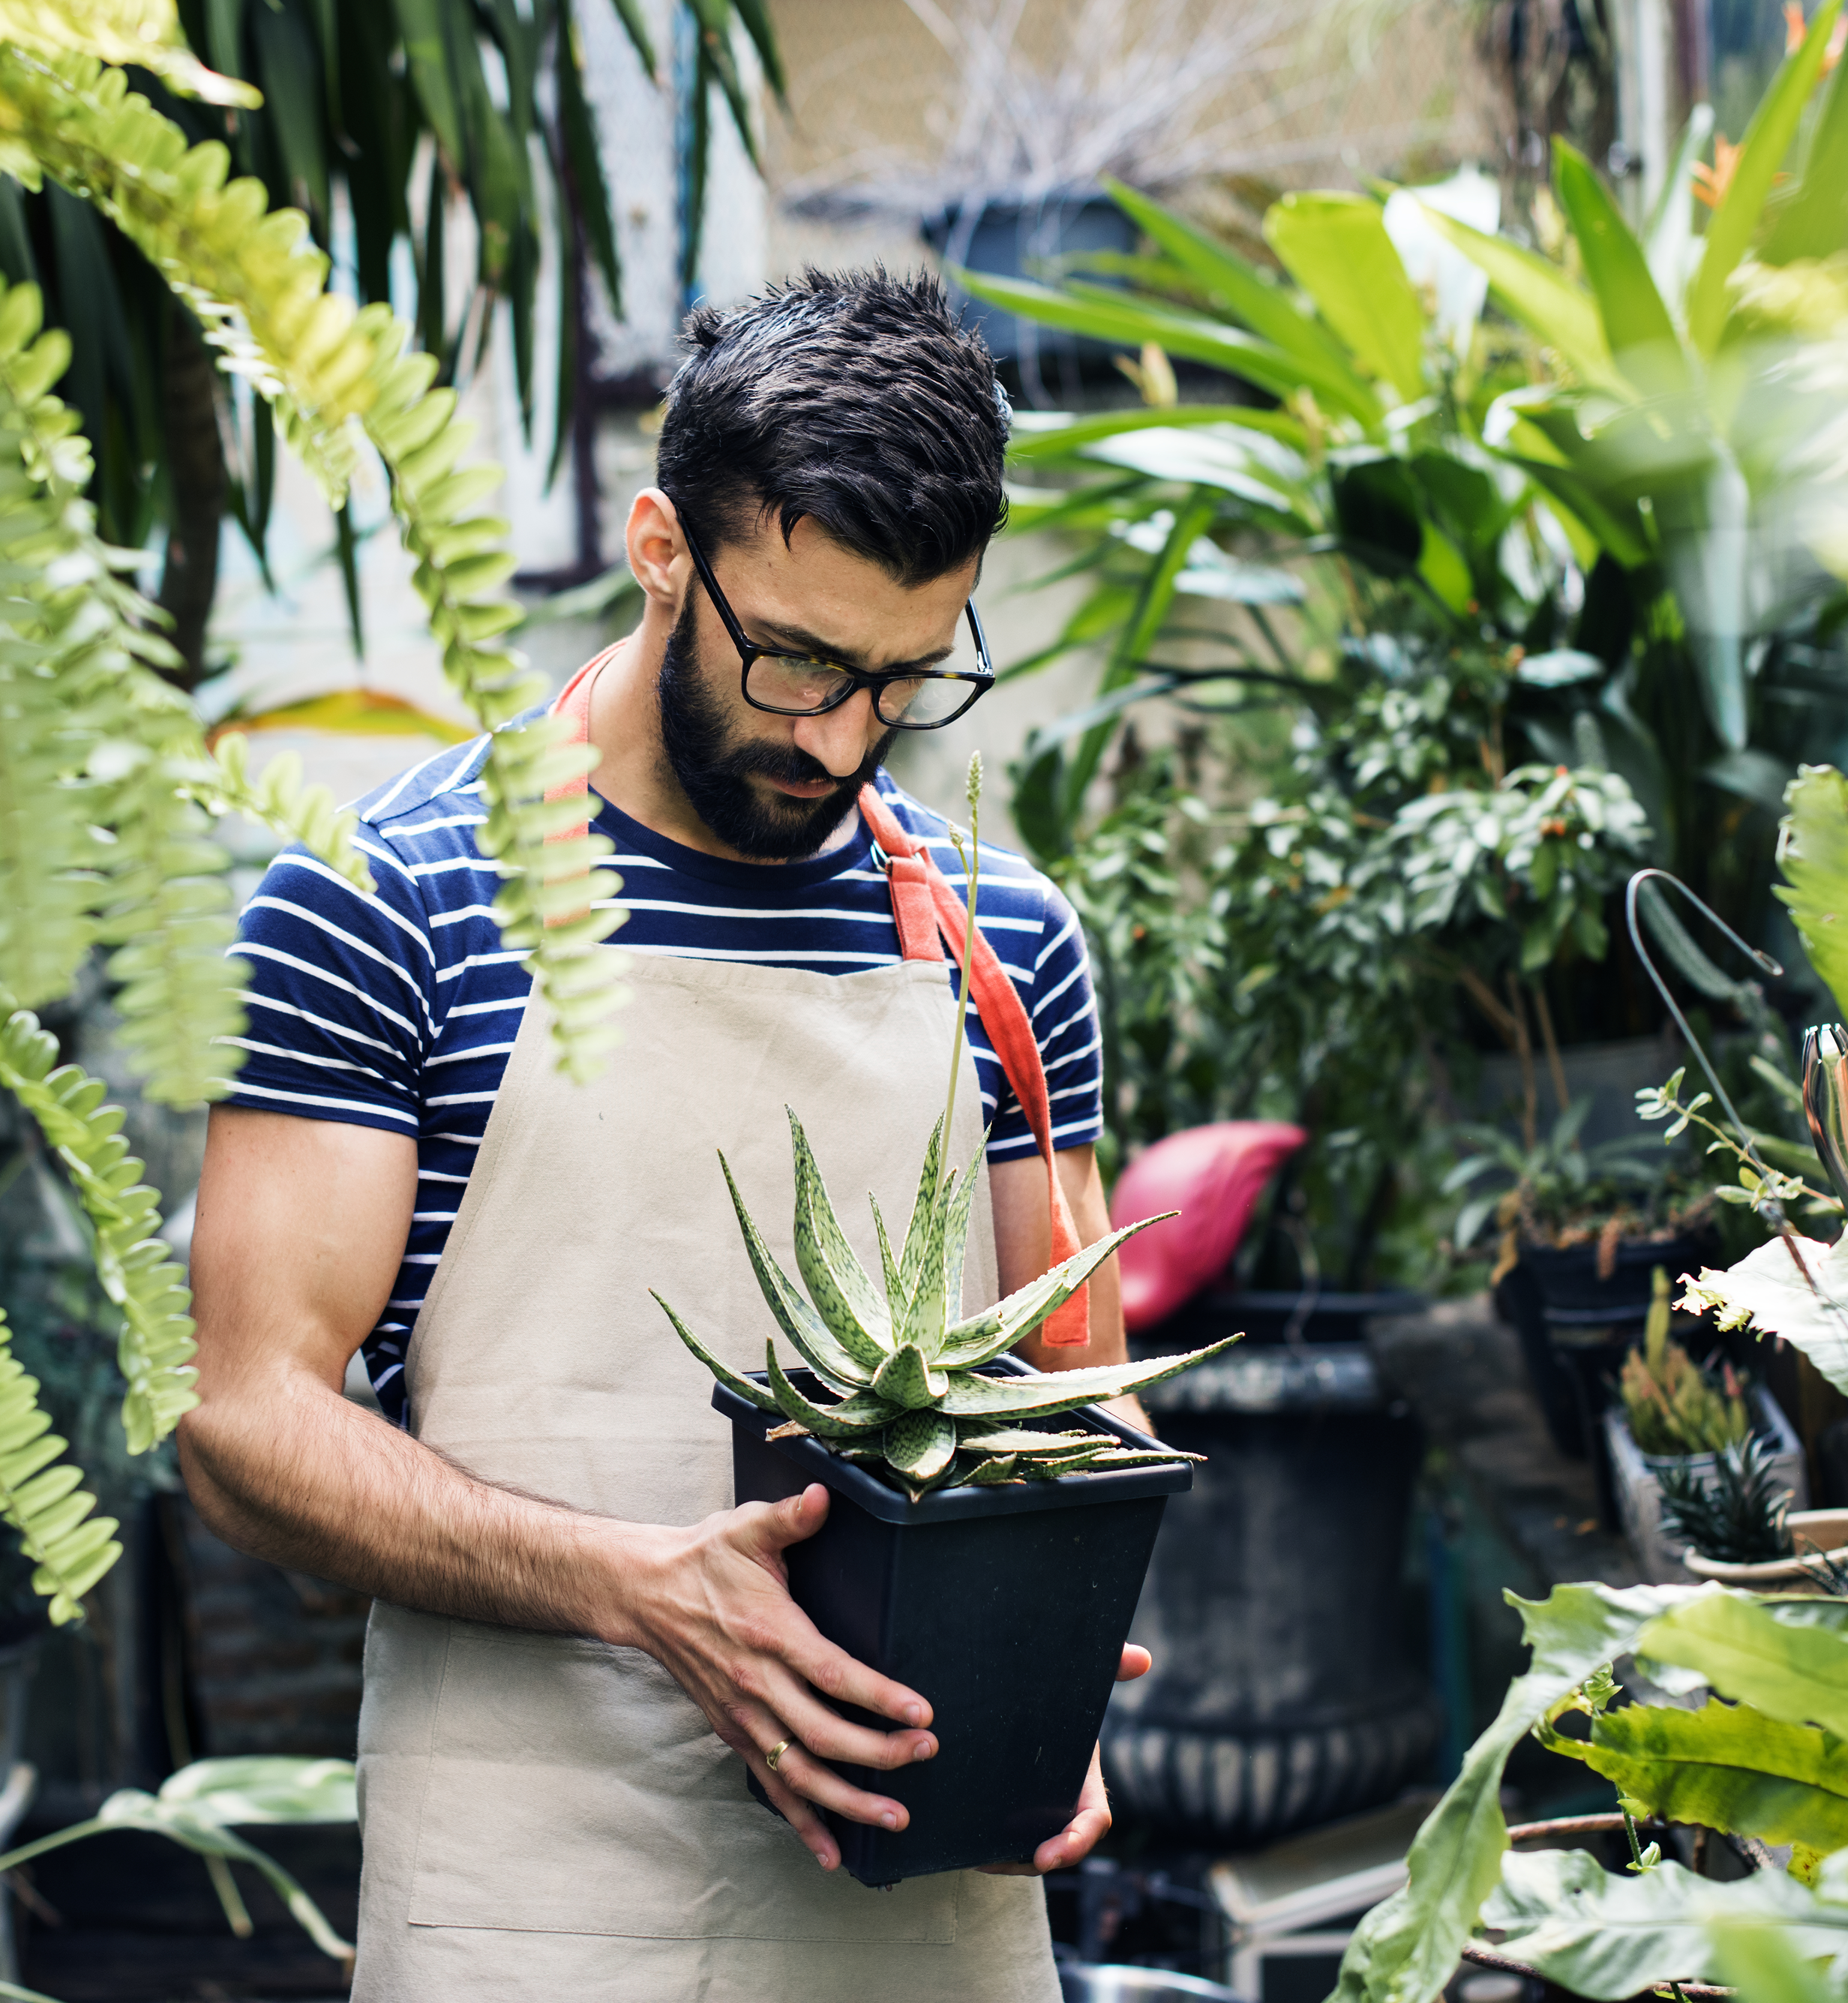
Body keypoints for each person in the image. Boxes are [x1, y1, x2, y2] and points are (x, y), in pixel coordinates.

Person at [178, 267, 1147, 2001]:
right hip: (531, 1911)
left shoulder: (1010, 942)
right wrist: (636, 1585)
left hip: (917, 1912)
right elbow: (246, 1419)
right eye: (793, 659)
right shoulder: (389, 901)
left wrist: (1054, 1668)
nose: (838, 734)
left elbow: (1080, 1395)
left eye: (903, 679)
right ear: (659, 549)